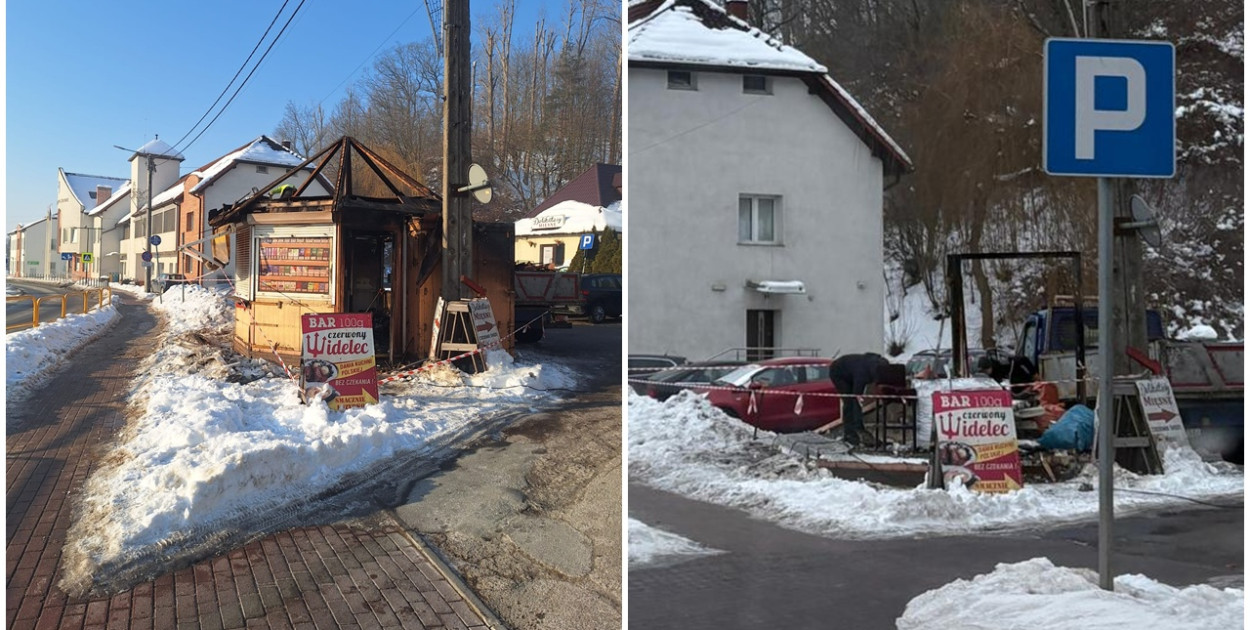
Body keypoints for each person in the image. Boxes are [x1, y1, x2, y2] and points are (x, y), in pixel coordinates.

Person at [829, 353, 891, 448]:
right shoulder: (863, 373)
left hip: (851, 371)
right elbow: (857, 396)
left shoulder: (879, 365)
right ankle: (851, 434)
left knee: (853, 401)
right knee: (849, 402)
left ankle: (857, 429)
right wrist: (859, 421)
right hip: (838, 372)